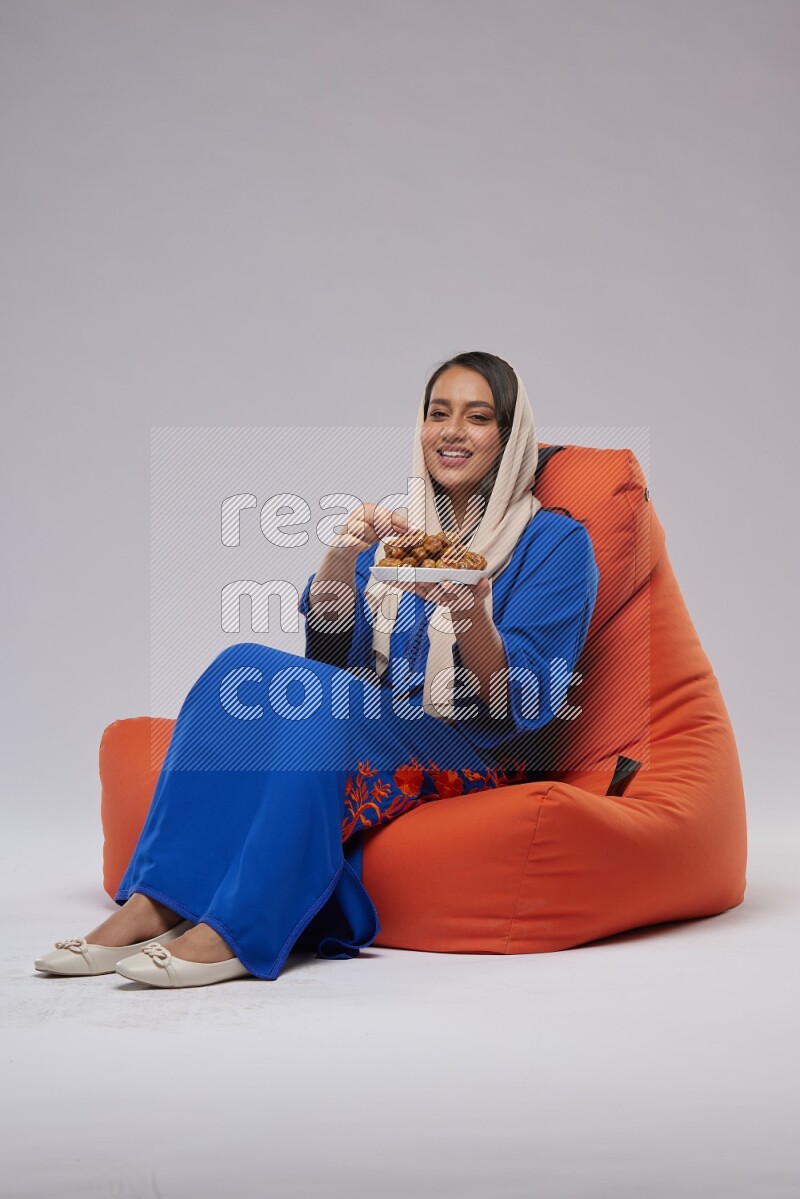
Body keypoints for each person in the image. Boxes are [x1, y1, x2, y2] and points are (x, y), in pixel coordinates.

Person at [34, 351, 599, 989]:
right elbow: (329, 660)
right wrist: (340, 561)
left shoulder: (556, 541)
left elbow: (521, 702)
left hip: (475, 743)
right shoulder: (402, 532)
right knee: (237, 668)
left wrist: (472, 613)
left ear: (509, 437)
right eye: (437, 414)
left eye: (477, 418)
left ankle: (240, 930)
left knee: (327, 713)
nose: (451, 431)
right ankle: (154, 902)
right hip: (382, 713)